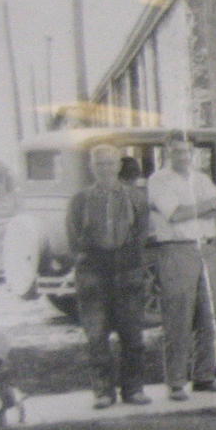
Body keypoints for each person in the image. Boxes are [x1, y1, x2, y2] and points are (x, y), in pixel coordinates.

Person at [67, 144, 153, 408]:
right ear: (92, 167)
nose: (105, 168)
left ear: (118, 166)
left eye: (110, 163)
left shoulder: (135, 197)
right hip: (93, 272)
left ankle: (133, 390)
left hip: (127, 270)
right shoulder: (80, 200)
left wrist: (131, 262)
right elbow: (73, 237)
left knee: (132, 334)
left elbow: (142, 232)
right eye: (100, 164)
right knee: (96, 335)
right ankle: (103, 392)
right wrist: (88, 262)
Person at [147, 131, 216, 401]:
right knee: (178, 317)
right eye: (177, 151)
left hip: (206, 248)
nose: (183, 156)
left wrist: (194, 208)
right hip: (177, 250)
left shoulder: (201, 178)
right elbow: (174, 214)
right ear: (167, 151)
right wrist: (203, 207)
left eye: (187, 151)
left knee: (209, 317)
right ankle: (176, 382)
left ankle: (205, 376)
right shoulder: (159, 180)